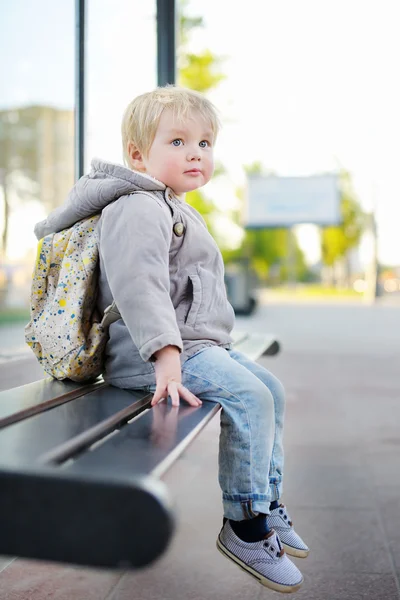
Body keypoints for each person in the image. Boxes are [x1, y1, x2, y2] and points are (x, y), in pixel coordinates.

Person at [34, 86, 308, 593]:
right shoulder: (137, 206)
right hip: (159, 355)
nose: (195, 153)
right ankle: (246, 526)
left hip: (195, 347)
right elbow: (141, 288)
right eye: (178, 141)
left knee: (270, 390)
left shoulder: (169, 204)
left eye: (204, 143)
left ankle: (266, 501)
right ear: (138, 155)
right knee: (249, 397)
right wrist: (165, 356)